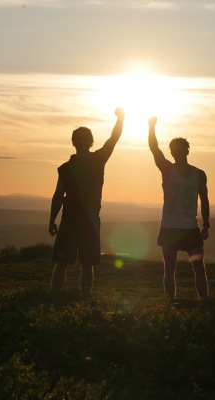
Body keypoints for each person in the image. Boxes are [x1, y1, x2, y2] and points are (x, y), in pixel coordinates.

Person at [49, 108, 125, 293]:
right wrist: (52, 219)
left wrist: (121, 118)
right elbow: (58, 194)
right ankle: (55, 296)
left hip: (87, 219)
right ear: (74, 142)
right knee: (62, 262)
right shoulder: (65, 168)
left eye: (84, 138)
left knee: (86, 263)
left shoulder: (98, 159)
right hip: (71, 218)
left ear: (90, 142)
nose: (81, 141)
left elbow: (113, 139)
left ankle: (83, 298)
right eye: (78, 139)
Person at [148, 116, 210, 304]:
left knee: (199, 267)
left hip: (190, 227)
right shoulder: (167, 169)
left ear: (187, 150)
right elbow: (154, 149)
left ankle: (205, 302)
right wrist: (151, 127)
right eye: (173, 150)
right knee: (170, 268)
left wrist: (206, 224)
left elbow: (205, 200)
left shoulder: (199, 174)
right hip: (170, 227)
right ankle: (170, 303)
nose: (176, 152)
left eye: (180, 149)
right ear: (172, 153)